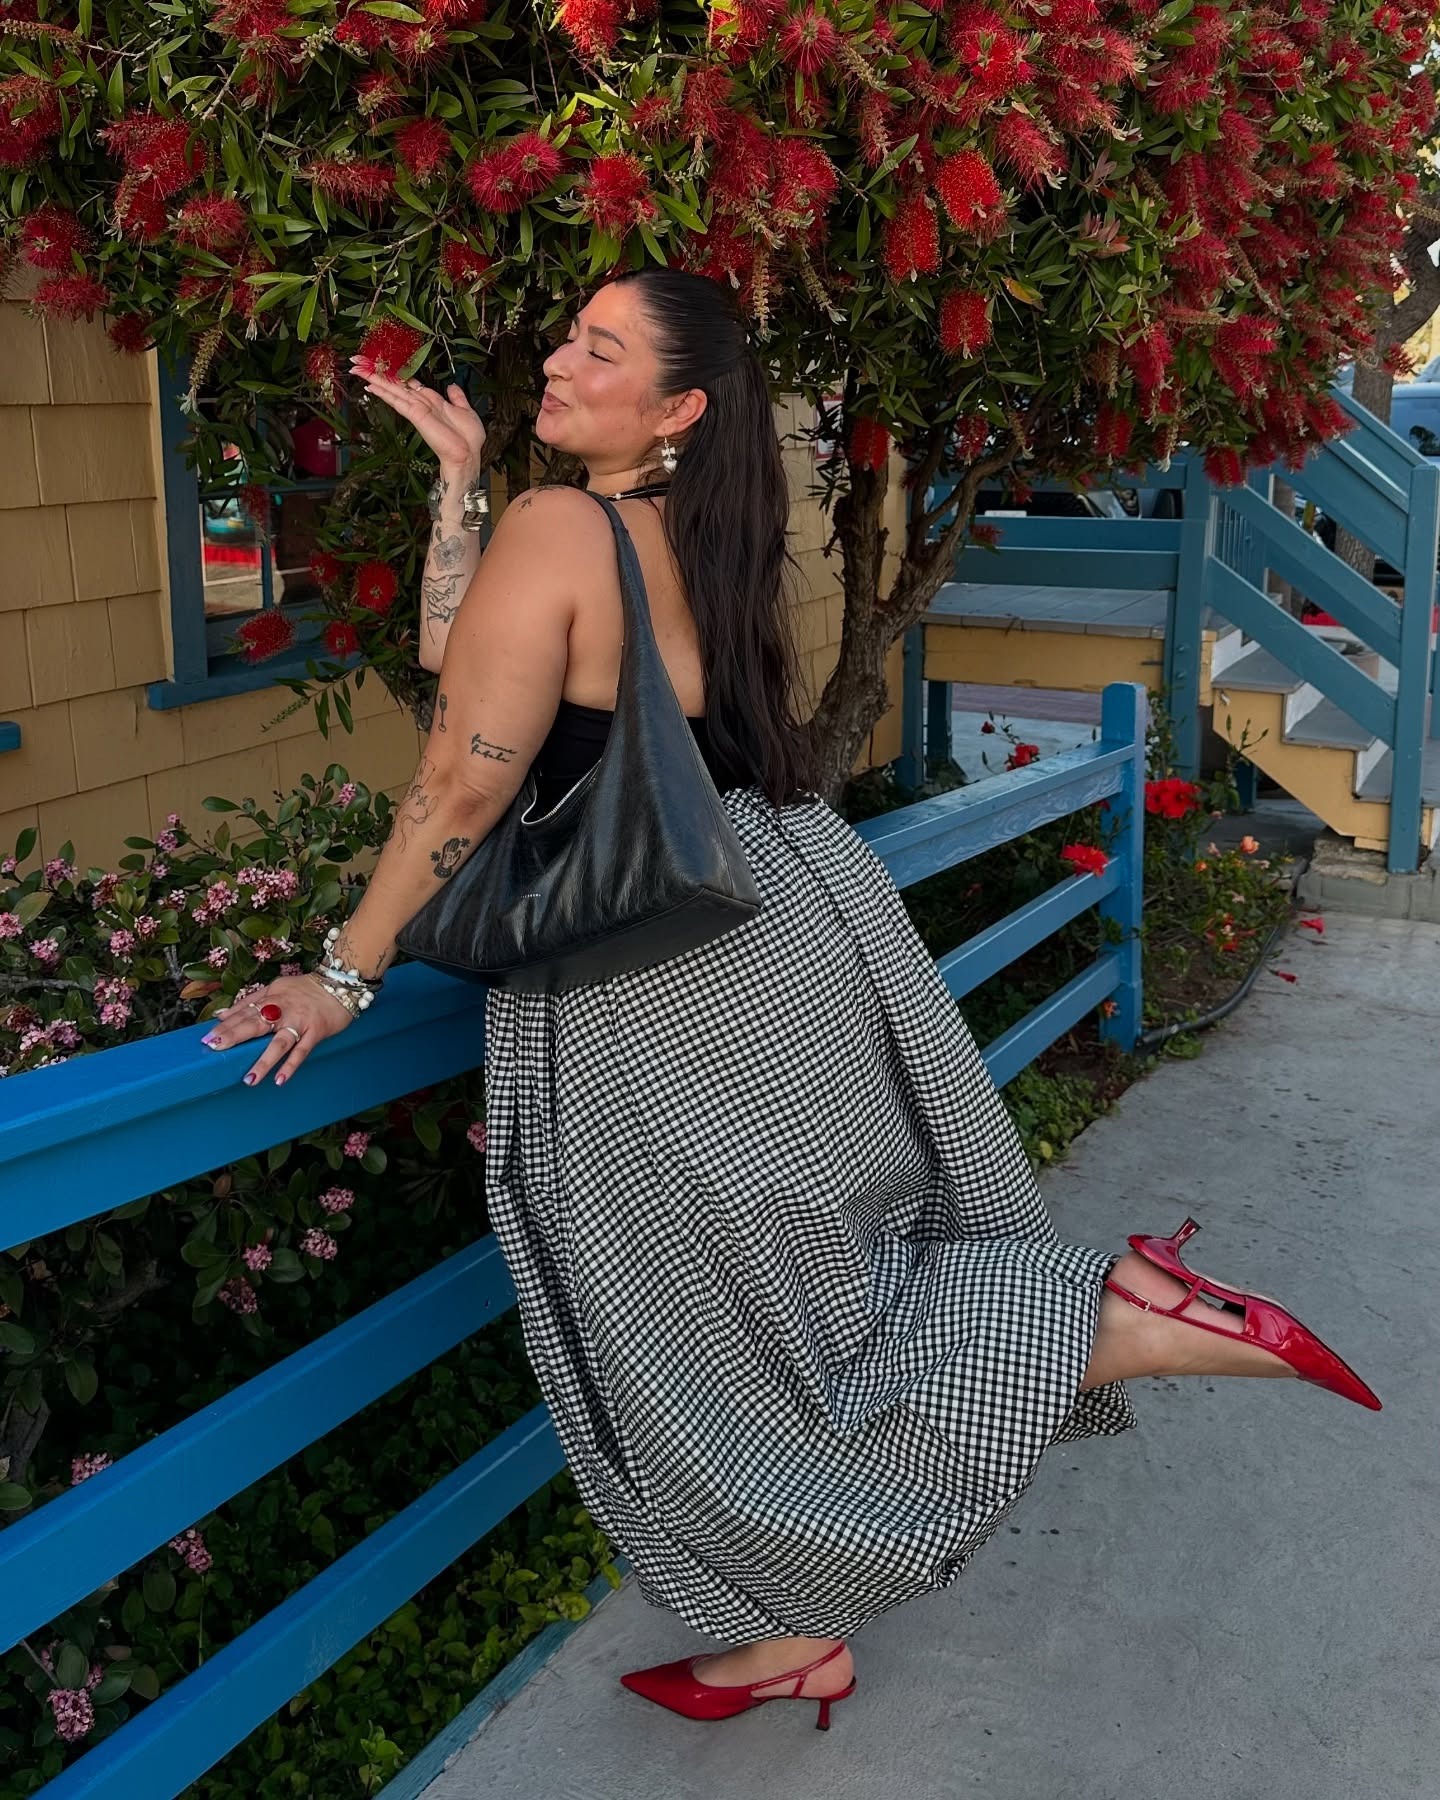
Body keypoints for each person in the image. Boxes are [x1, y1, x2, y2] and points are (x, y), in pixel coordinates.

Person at [200, 267, 1381, 1733]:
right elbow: (475, 665)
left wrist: (338, 974)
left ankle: (1096, 1320)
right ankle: (786, 1639)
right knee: (798, 1302)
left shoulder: (565, 526)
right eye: (567, 333)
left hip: (650, 988)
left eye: (598, 348)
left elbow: (465, 770)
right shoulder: (670, 531)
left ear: (677, 405)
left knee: (694, 1345)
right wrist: (456, 486)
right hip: (777, 933)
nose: (557, 362)